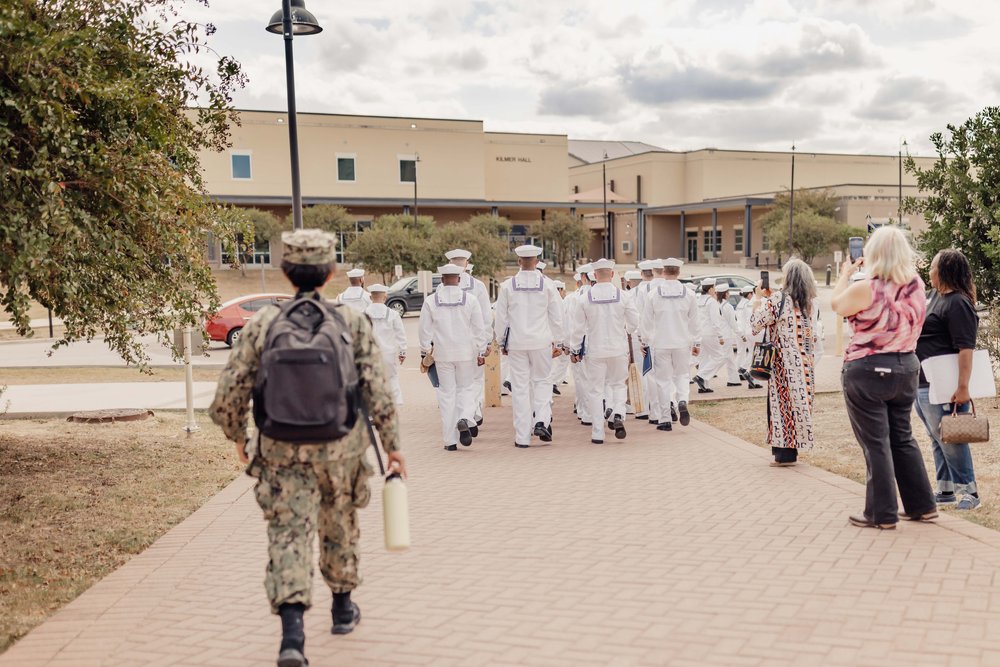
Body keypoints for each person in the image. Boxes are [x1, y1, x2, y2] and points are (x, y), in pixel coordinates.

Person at [209, 229, 406, 667]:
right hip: (342, 448)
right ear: (331, 273)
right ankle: (341, 609)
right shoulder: (351, 322)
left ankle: (293, 637)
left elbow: (227, 397)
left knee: (288, 534)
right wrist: (393, 447)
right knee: (340, 524)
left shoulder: (263, 324)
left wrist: (240, 439)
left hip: (279, 452)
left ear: (284, 271)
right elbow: (377, 390)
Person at [832, 225, 935, 529]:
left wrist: (843, 275)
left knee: (876, 442)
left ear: (873, 254)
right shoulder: (915, 284)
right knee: (902, 437)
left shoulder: (867, 287)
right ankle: (922, 505)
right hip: (906, 367)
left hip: (868, 370)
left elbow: (837, 304)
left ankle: (881, 512)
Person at [914, 249, 982, 510]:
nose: (929, 271)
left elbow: (966, 348)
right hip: (922, 381)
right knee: (937, 437)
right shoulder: (934, 297)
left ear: (944, 271)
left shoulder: (958, 303)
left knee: (952, 438)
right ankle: (945, 489)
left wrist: (963, 386)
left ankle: (969, 492)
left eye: (932, 267)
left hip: (944, 385)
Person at [750, 259, 819, 468]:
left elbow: (755, 324)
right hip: (805, 364)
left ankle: (784, 454)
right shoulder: (809, 302)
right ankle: (792, 451)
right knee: (798, 406)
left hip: (782, 365)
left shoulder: (779, 299)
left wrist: (757, 299)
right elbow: (812, 335)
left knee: (781, 408)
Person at [494, 244, 565, 447]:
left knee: (520, 388)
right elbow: (556, 316)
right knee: (542, 381)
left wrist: (501, 341)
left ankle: (522, 437)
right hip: (541, 342)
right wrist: (559, 340)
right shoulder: (548, 284)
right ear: (536, 262)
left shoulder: (507, 286)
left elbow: (501, 318)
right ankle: (542, 420)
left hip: (516, 343)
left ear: (519, 262)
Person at [419, 264, 490, 451]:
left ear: (442, 280)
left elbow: (424, 330)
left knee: (447, 394)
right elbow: (478, 328)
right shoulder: (470, 299)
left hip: (442, 354)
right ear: (459, 279)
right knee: (466, 388)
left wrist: (426, 349)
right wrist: (482, 350)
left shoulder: (431, 301)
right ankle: (464, 418)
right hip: (466, 352)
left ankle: (450, 441)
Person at [568, 258, 639, 444]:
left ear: (594, 275)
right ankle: (618, 413)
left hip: (595, 350)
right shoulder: (623, 296)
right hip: (618, 348)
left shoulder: (584, 298)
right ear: (613, 274)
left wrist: (575, 349)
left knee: (596, 391)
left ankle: (597, 432)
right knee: (618, 385)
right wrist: (628, 331)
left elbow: (577, 329)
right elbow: (634, 322)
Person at [640, 257, 699, 431]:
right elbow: (695, 322)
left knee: (663, 381)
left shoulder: (653, 294)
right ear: (679, 272)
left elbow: (646, 322)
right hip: (682, 343)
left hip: (660, 343)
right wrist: (697, 342)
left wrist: (644, 341)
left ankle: (665, 418)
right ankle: (682, 400)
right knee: (681, 376)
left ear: (663, 272)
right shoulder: (689, 294)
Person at [444, 249, 492, 426]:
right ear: (466, 264)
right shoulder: (478, 286)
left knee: (456, 383)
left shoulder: (442, 287)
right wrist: (486, 341)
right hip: (473, 340)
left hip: (449, 341)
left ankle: (464, 415)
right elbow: (486, 317)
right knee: (474, 379)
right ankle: (473, 411)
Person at [365, 283, 407, 405]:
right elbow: (401, 335)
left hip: (370, 354)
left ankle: (373, 408)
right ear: (385, 297)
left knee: (372, 381)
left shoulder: (363, 314)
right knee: (392, 378)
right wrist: (402, 352)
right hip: (388, 354)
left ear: (370, 297)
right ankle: (394, 405)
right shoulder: (393, 314)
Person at [692, 278, 725, 393]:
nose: (715, 290)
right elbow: (715, 321)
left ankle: (703, 387)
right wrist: (720, 336)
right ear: (711, 289)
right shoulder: (711, 302)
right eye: (714, 288)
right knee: (720, 357)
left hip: (700, 334)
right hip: (710, 333)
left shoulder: (697, 300)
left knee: (704, 360)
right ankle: (701, 376)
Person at [549, 280, 570, 395]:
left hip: (547, 337)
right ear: (560, 290)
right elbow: (562, 322)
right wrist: (562, 341)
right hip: (556, 337)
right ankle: (552, 382)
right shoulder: (561, 302)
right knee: (562, 360)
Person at [735, 285, 757, 382]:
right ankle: (742, 369)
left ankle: (739, 372)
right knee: (751, 352)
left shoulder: (740, 303)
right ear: (749, 294)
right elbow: (747, 320)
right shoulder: (747, 304)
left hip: (739, 331)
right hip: (744, 331)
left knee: (741, 353)